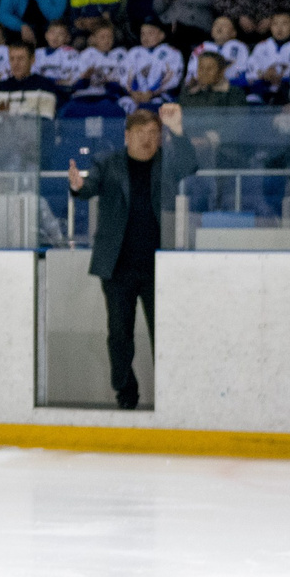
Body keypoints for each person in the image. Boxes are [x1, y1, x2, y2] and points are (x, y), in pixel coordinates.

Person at [67, 102, 196, 410]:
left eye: (153, 132)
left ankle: (170, 394)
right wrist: (78, 186)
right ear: (127, 136)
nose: (147, 139)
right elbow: (90, 187)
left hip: (158, 266)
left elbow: (190, 165)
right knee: (120, 335)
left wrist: (177, 130)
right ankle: (126, 394)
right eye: (140, 132)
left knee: (162, 334)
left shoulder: (167, 162)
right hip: (118, 266)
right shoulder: (108, 162)